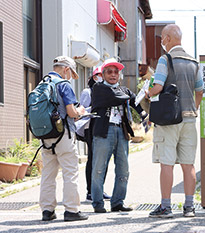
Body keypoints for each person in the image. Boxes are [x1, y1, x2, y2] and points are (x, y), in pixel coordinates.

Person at [147, 24, 203, 218]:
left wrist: (148, 92)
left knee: (167, 163)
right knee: (188, 164)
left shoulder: (165, 59)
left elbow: (158, 86)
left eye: (162, 38)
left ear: (168, 38)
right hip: (189, 119)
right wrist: (193, 109)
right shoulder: (194, 62)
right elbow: (200, 91)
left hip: (169, 120)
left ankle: (166, 206)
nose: (162, 42)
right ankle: (189, 207)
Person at [90, 58, 147, 213]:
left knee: (123, 169)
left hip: (121, 132)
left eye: (116, 72)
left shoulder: (124, 91)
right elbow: (115, 98)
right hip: (103, 131)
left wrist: (144, 115)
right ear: (103, 74)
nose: (113, 75)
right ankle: (98, 203)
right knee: (99, 168)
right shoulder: (98, 88)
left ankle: (117, 202)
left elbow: (136, 102)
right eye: (109, 71)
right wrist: (131, 97)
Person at [39, 56, 88, 222]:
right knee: (70, 172)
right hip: (64, 135)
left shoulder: (42, 84)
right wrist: (80, 111)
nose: (70, 78)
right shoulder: (63, 85)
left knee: (48, 174)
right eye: (70, 73)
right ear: (66, 69)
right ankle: (72, 211)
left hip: (45, 137)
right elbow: (71, 112)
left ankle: (47, 210)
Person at [75, 66, 111, 202]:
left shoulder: (106, 90)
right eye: (100, 75)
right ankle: (90, 191)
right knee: (92, 159)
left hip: (103, 126)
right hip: (90, 128)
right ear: (95, 77)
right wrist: (98, 106)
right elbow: (83, 110)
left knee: (102, 159)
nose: (102, 77)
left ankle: (99, 189)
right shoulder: (87, 91)